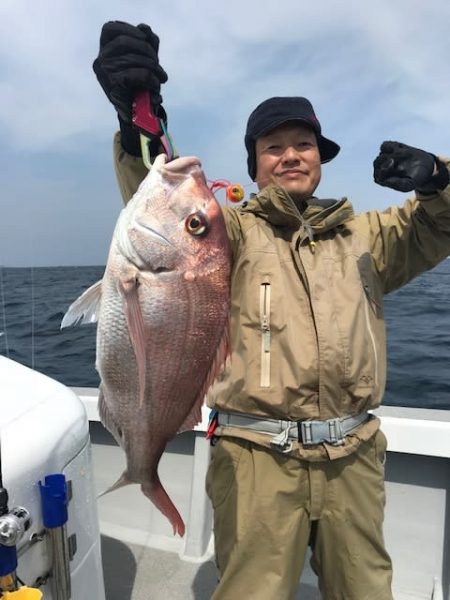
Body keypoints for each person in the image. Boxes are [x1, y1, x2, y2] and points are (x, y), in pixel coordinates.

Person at [93, 21, 450, 600]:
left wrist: (439, 181)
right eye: (273, 147)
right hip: (255, 460)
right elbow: (163, 205)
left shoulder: (369, 238)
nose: (290, 156)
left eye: (302, 144)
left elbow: (441, 223)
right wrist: (138, 115)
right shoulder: (228, 231)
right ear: (255, 164)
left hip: (354, 458)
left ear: (320, 157)